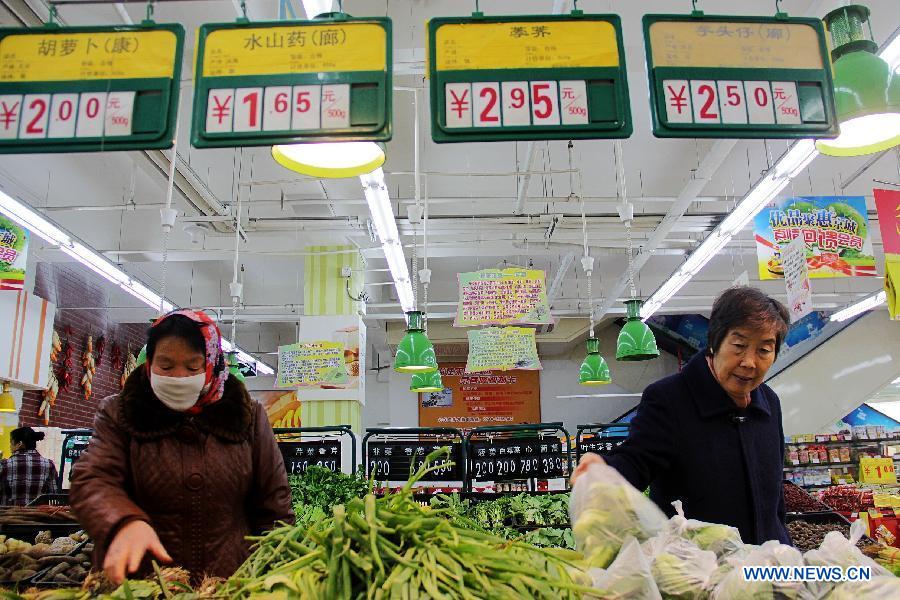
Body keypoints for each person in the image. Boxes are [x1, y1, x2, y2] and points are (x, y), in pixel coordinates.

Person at [70, 309, 294, 584]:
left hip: (228, 583)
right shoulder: (120, 413)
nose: (178, 376)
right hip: (142, 582)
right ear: (149, 362)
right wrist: (122, 521)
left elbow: (275, 506)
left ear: (211, 365)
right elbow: (93, 478)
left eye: (192, 367)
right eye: (165, 366)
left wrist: (274, 573)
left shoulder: (247, 416)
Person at [573, 287, 791, 545]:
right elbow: (637, 460)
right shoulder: (670, 399)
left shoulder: (769, 403)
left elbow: (776, 497)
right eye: (739, 346)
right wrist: (604, 471)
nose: (749, 362)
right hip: (696, 570)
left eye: (764, 351)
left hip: (768, 566)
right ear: (715, 342)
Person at [0, 427, 59, 505]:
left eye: (11, 442)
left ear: (19, 444)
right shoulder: (49, 465)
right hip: (37, 516)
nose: (10, 446)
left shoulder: (3, 465)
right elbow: (53, 496)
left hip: (8, 516)